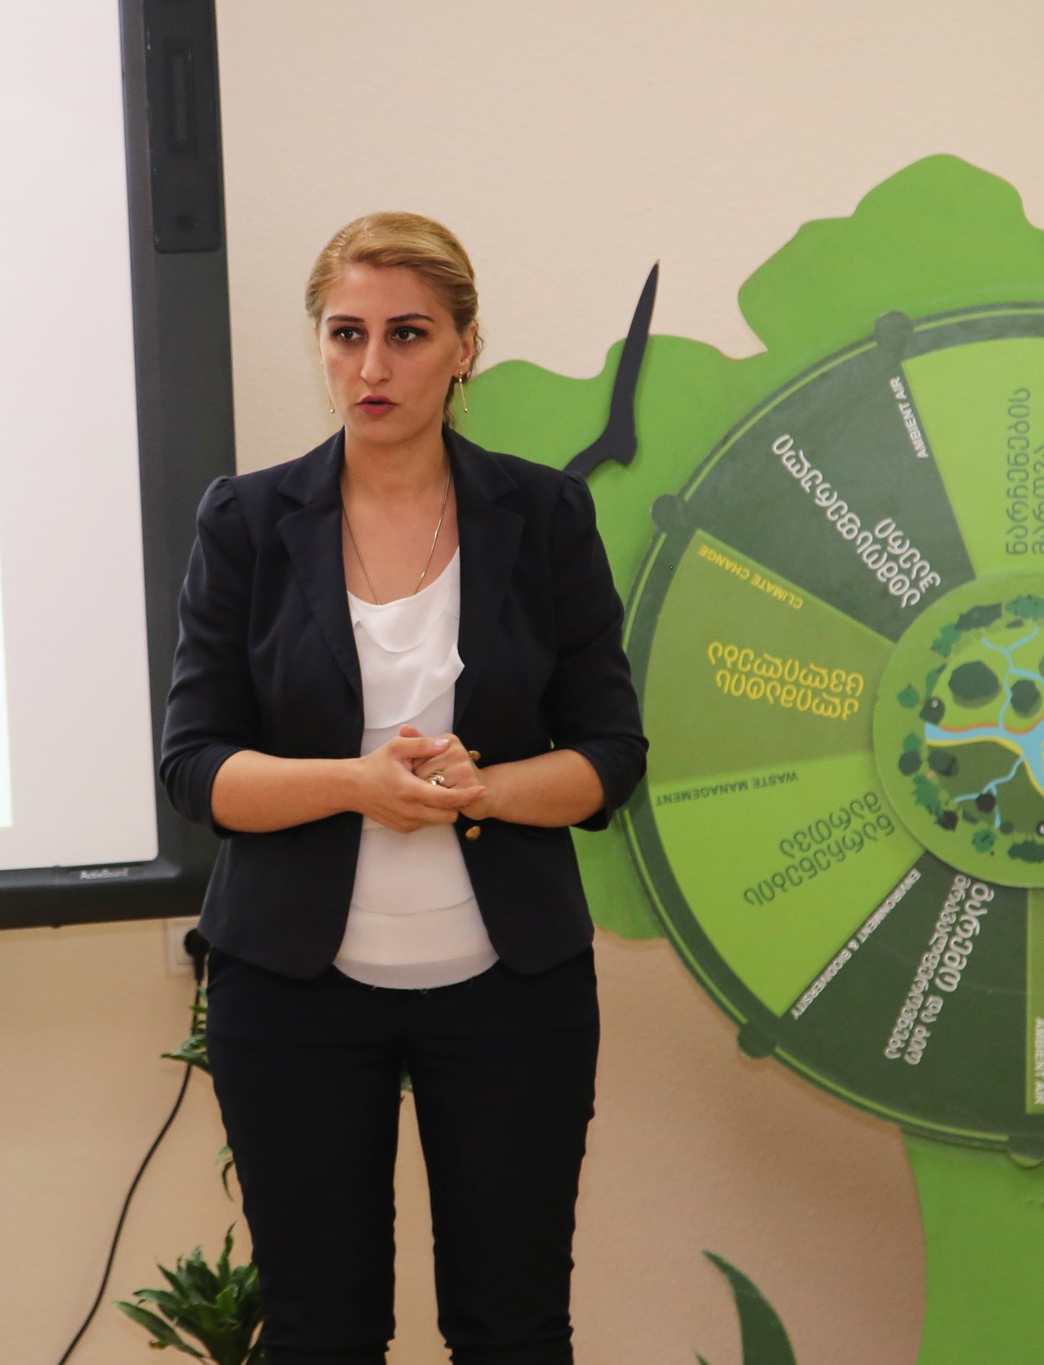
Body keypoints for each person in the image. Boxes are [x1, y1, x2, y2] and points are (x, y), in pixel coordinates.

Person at [159, 210, 646, 1365]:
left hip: (509, 990)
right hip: (292, 993)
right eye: (346, 334)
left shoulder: (544, 514)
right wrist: (353, 784)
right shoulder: (246, 520)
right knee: (320, 1334)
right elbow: (196, 766)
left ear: (464, 347)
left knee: (512, 1329)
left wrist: (484, 790)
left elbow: (608, 755)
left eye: (407, 334)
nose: (370, 366)